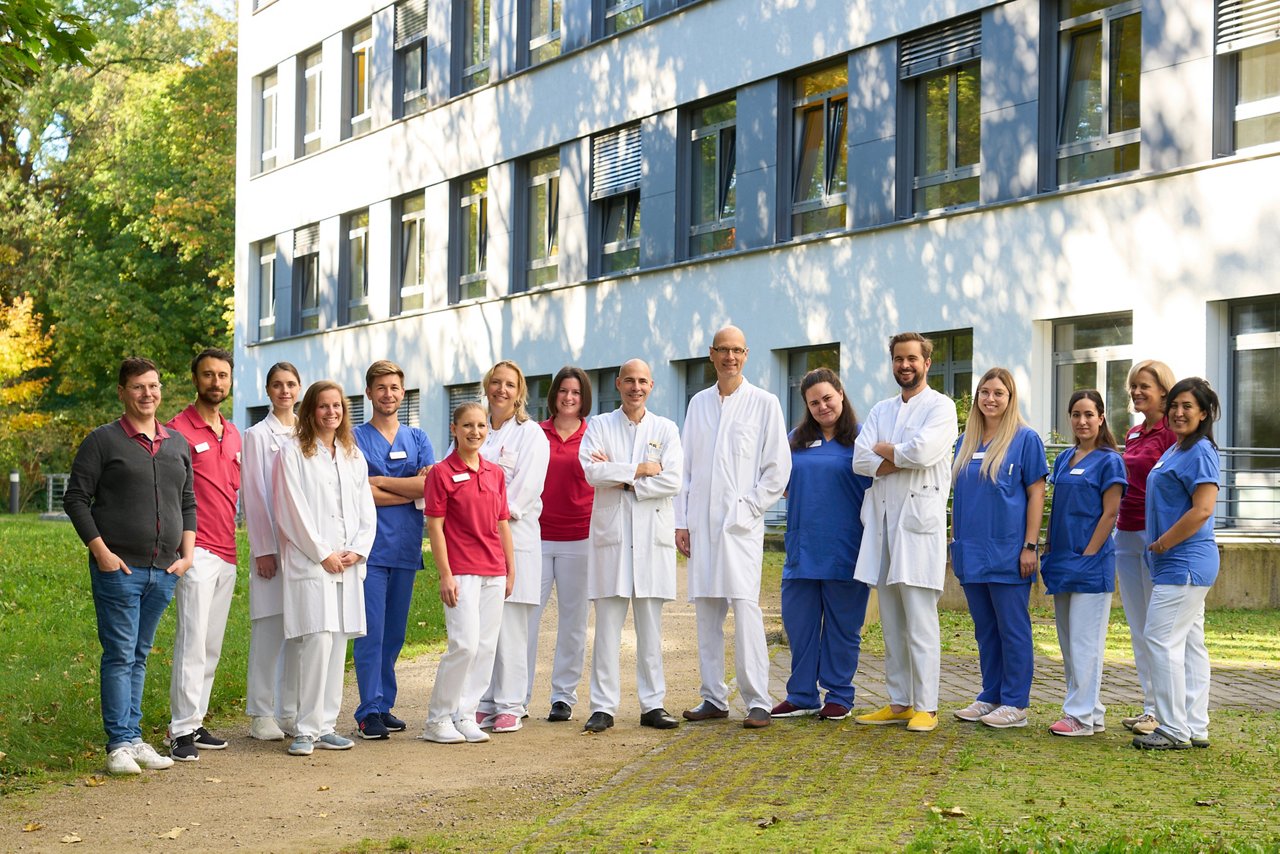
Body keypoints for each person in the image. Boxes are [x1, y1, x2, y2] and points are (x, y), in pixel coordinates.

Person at [64, 357, 195, 775]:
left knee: (139, 655)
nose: (147, 394)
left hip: (164, 570)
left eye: (153, 386)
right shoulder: (102, 441)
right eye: (138, 387)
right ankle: (118, 743)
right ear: (122, 392)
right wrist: (101, 552)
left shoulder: (176, 443)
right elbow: (75, 498)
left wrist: (186, 556)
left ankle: (134, 738)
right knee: (120, 655)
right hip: (119, 569)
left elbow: (188, 503)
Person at [675, 325, 791, 729]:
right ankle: (713, 697)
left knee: (745, 608)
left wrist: (749, 507)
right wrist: (681, 522)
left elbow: (777, 469)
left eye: (737, 350)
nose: (730, 357)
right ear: (711, 354)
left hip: (741, 526)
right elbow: (684, 469)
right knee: (706, 610)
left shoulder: (764, 403)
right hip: (701, 526)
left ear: (746, 355)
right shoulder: (698, 404)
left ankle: (757, 699)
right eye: (723, 350)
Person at [852, 333, 957, 734]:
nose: (904, 365)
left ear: (926, 363)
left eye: (912, 358)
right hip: (882, 525)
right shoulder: (881, 409)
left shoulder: (942, 408)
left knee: (920, 619)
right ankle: (899, 701)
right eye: (898, 359)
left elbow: (924, 452)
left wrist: (887, 450)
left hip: (917, 526)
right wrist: (894, 453)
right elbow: (860, 460)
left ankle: (926, 706)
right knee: (892, 621)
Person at [273, 381, 377, 756]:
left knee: (337, 643)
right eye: (323, 406)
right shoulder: (293, 452)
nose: (331, 412)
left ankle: (327, 724)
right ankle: (305, 728)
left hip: (347, 563)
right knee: (316, 640)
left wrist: (358, 550)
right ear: (310, 411)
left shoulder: (352, 454)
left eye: (337, 406)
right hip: (312, 563)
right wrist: (321, 552)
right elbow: (291, 509)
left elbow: (367, 508)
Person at [579, 359, 683, 733]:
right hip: (613, 538)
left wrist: (621, 477)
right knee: (606, 627)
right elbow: (592, 472)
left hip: (651, 541)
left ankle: (652, 704)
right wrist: (639, 469)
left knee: (651, 629)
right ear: (618, 384)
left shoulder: (666, 429)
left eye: (643, 381)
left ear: (651, 386)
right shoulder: (600, 426)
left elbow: (673, 480)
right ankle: (603, 707)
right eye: (629, 381)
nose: (636, 387)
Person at [770, 368, 872, 722]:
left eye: (827, 398)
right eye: (814, 402)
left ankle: (840, 694)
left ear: (841, 394)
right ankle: (801, 694)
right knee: (800, 625)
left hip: (846, 548)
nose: (822, 407)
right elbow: (777, 477)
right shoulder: (796, 438)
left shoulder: (863, 438)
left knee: (843, 628)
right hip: (802, 549)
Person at [949, 368, 1048, 730]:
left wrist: (1029, 546)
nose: (990, 399)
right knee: (985, 629)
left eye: (999, 393)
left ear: (1011, 398)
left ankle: (1015, 702)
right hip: (971, 551)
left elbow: (1037, 493)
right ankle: (990, 694)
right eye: (984, 392)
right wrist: (955, 542)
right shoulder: (965, 442)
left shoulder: (1025, 439)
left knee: (1012, 628)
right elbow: (959, 496)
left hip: (1008, 551)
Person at [1133, 377, 1221, 751]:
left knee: (1160, 639)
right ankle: (1195, 725)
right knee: (1189, 644)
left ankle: (1171, 728)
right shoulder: (1177, 449)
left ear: (1204, 413)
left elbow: (1202, 510)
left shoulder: (1200, 450)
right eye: (1176, 406)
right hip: (1177, 562)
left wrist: (1162, 543)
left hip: (1184, 561)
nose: (1180, 412)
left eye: (1189, 406)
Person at [421, 402, 516, 744]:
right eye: (467, 426)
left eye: (480, 426)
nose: (475, 431)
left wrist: (510, 568)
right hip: (461, 570)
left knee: (486, 646)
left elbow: (503, 524)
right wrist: (444, 574)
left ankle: (465, 713)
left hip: (493, 568)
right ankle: (438, 718)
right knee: (464, 644)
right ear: (454, 429)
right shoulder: (441, 474)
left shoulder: (494, 473)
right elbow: (435, 526)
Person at [352, 360, 436, 739]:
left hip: (404, 547)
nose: (388, 394)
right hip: (368, 549)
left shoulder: (418, 439)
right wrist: (404, 488)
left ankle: (384, 704)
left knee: (395, 632)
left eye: (394, 388)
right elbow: (357, 492)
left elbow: (429, 490)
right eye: (381, 387)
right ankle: (368, 709)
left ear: (403, 393)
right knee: (370, 631)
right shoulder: (353, 438)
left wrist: (380, 482)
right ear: (369, 393)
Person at [165, 347, 242, 761]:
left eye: (223, 375)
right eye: (209, 375)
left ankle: (195, 720)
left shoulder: (232, 433)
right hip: (195, 551)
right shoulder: (175, 430)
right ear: (195, 379)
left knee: (211, 644)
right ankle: (179, 731)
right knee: (191, 641)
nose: (216, 382)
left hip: (228, 551)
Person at [469, 361, 550, 733]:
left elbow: (525, 489)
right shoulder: (476, 427)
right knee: (485, 625)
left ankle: (511, 703)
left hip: (512, 537)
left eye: (510, 385)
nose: (502, 390)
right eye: (496, 383)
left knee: (513, 626)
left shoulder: (531, 434)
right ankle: (484, 699)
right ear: (487, 387)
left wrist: (488, 517)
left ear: (520, 392)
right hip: (474, 542)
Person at [1040, 389, 1126, 737]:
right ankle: (1093, 710)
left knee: (1085, 642)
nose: (1082, 421)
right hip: (1062, 560)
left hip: (1091, 563)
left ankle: (1079, 717)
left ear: (1101, 417)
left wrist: (1089, 552)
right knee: (1068, 642)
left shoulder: (1110, 460)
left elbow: (1111, 513)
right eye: (1076, 414)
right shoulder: (1064, 459)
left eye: (1089, 414)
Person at [241, 362, 304, 742]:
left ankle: (290, 710)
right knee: (268, 628)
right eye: (277, 385)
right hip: (272, 546)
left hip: (304, 549)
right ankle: (261, 712)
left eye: (291, 384)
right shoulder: (255, 435)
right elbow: (254, 494)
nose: (284, 391)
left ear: (299, 389)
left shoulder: (308, 432)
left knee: (299, 630)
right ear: (267, 390)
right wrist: (263, 548)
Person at [1115, 360, 1177, 737]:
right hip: (1125, 532)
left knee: (1158, 627)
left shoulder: (1173, 433)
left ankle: (1165, 710)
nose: (1137, 392)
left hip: (1155, 536)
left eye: (1144, 387)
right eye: (1134, 387)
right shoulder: (1135, 433)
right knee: (1138, 625)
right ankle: (1149, 705)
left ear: (1163, 392)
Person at [531, 367, 595, 723]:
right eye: (563, 391)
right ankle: (515, 697)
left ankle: (562, 697)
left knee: (573, 621)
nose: (569, 398)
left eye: (576, 392)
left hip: (580, 536)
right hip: (536, 537)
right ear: (553, 394)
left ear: (583, 397)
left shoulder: (594, 434)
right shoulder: (535, 433)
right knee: (526, 619)